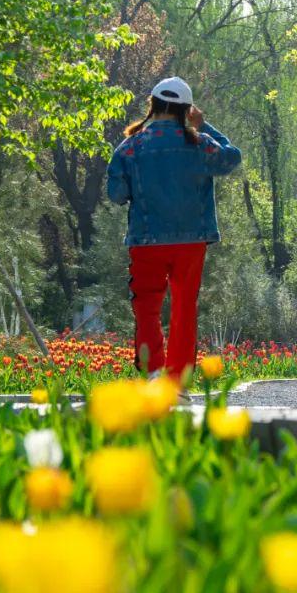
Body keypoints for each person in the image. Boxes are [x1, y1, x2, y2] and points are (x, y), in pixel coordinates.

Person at [106, 76, 241, 385]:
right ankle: (177, 380)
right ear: (186, 110)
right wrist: (205, 126)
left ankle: (154, 372)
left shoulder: (130, 146)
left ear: (152, 105)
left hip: (146, 239)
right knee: (183, 307)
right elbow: (231, 157)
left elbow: (116, 195)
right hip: (191, 241)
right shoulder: (200, 143)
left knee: (147, 306)